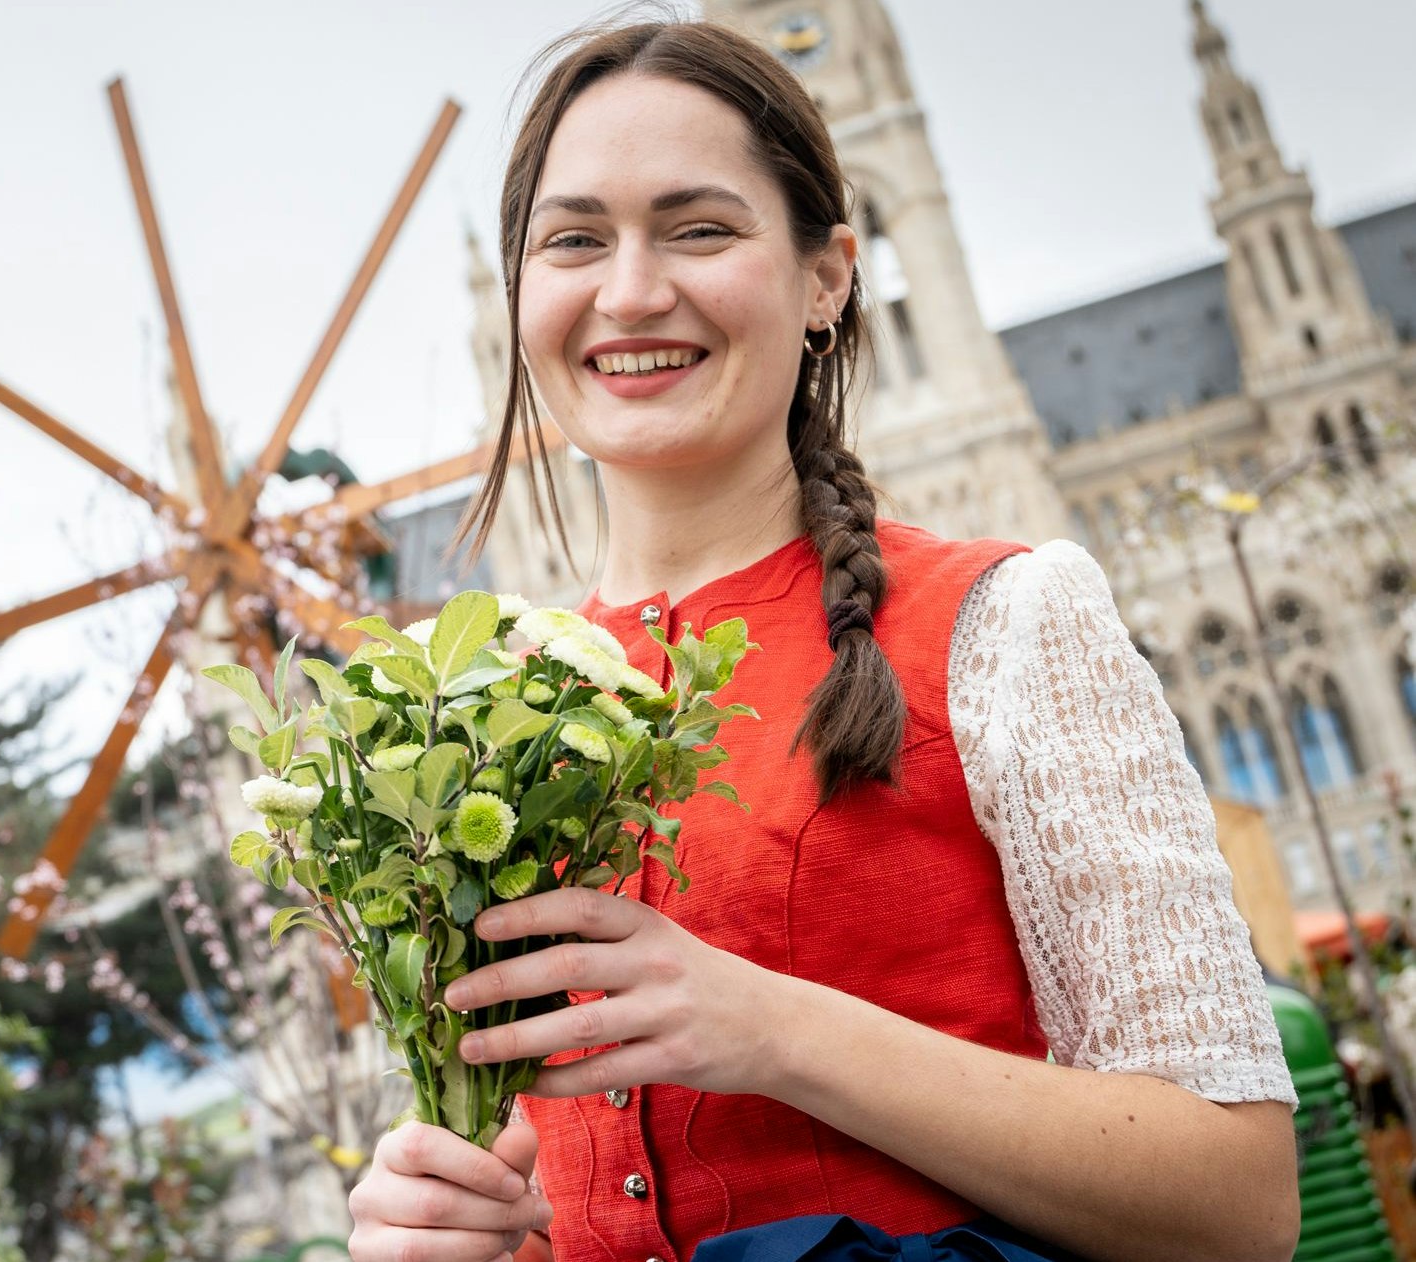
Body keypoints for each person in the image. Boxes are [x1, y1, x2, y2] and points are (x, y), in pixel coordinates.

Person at [344, 17, 1298, 1262]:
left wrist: (777, 1030)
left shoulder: (1005, 626)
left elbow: (1237, 1202)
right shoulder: (476, 724)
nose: (629, 290)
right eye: (574, 239)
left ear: (827, 276)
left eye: (699, 228)